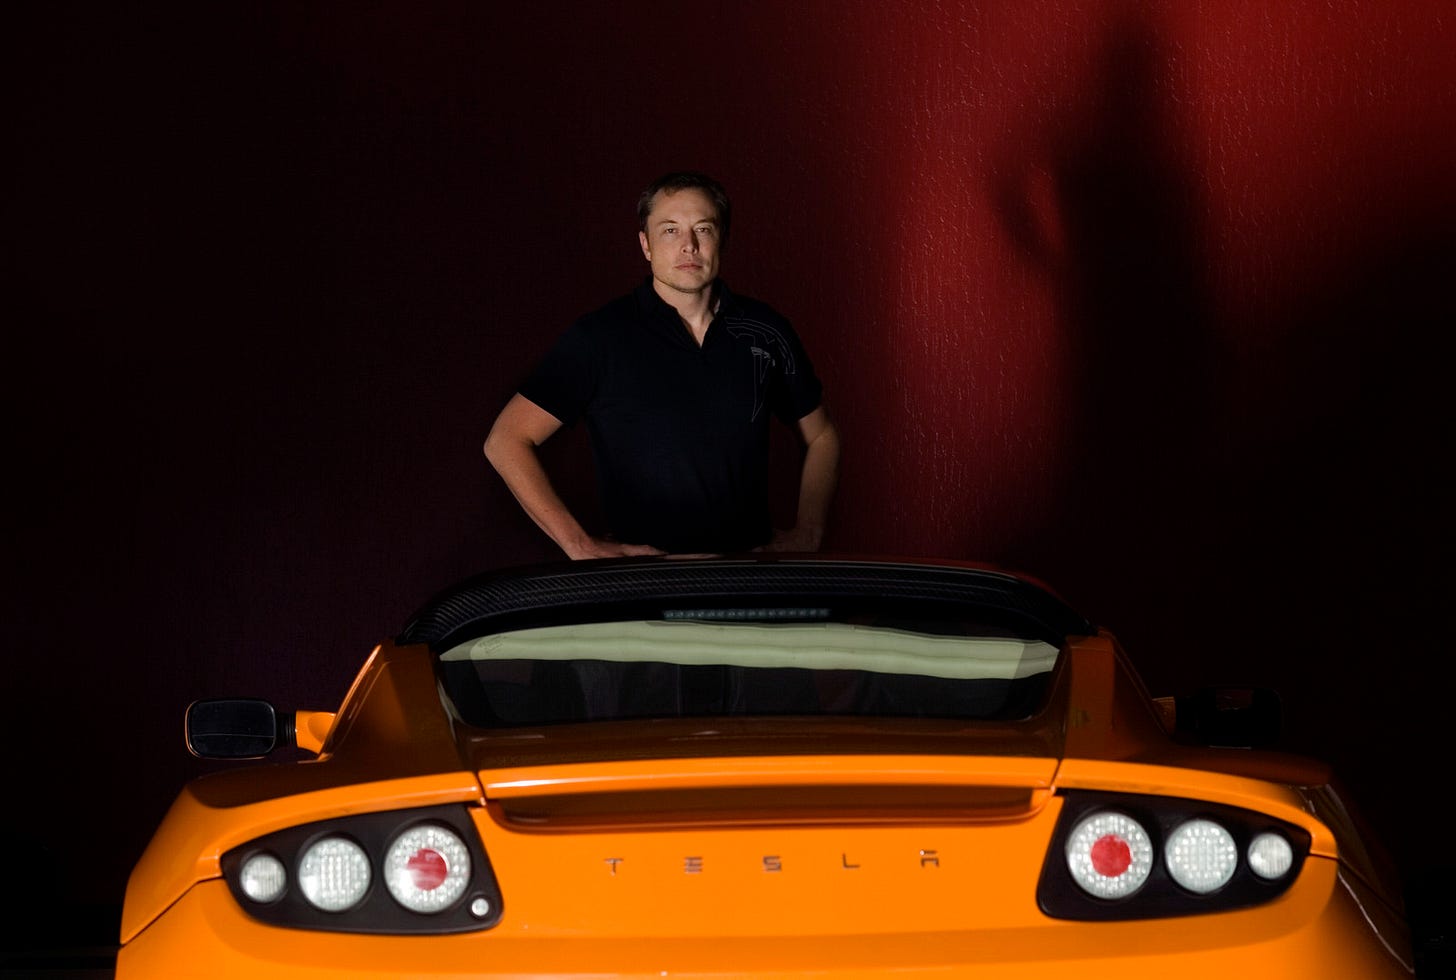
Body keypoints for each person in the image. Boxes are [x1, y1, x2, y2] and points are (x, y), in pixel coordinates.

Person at [484, 171, 839, 559]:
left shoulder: (766, 331)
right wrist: (579, 544)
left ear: (722, 238)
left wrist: (809, 531)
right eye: (670, 230)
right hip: (645, 579)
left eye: (703, 229)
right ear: (646, 245)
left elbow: (821, 436)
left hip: (744, 573)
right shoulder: (600, 337)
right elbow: (506, 440)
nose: (689, 245)